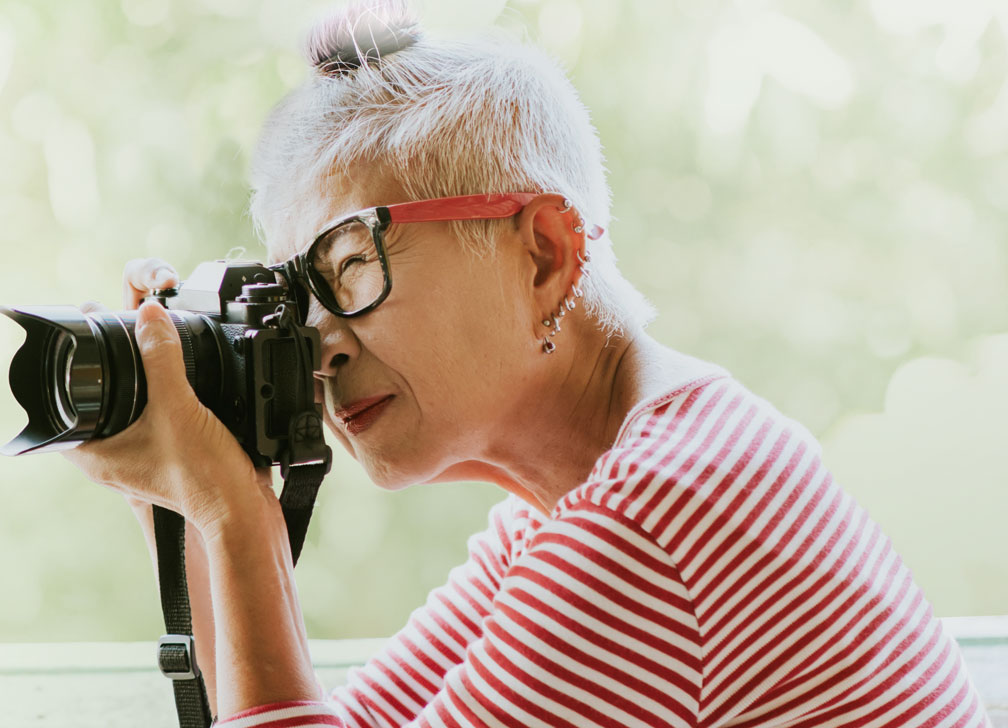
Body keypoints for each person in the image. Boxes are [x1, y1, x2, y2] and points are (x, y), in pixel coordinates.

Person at [62, 1, 992, 725]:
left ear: (544, 252)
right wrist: (186, 495)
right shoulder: (580, 504)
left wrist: (233, 514)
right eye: (301, 297)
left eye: (350, 265)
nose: (320, 344)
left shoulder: (659, 515)